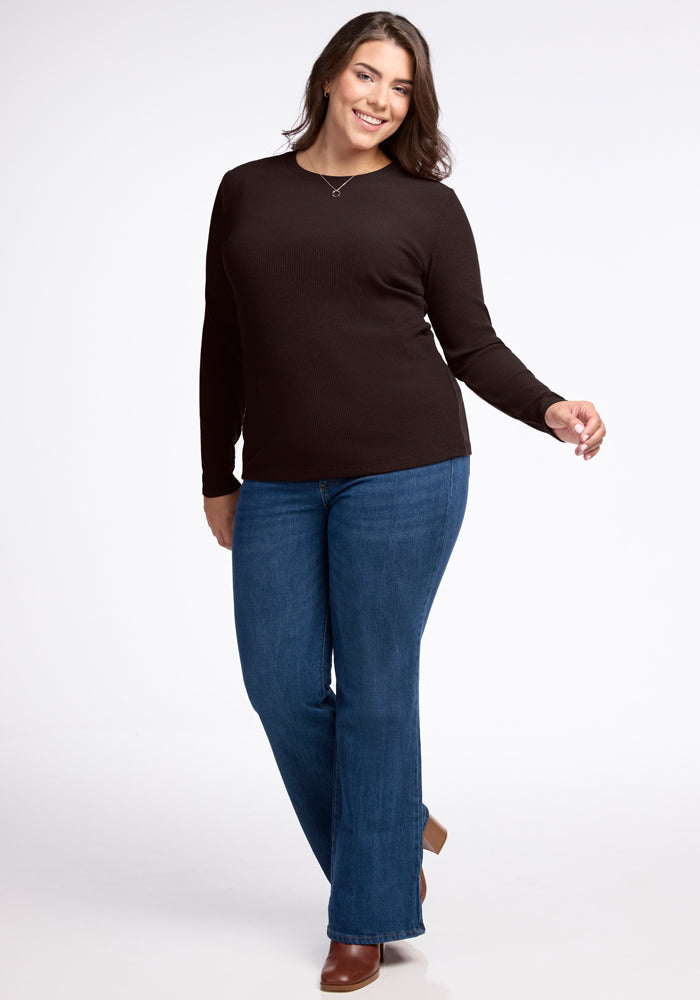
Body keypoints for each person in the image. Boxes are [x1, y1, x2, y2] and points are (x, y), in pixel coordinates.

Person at [198, 11, 606, 993]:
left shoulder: (427, 207)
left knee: (378, 687)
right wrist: (217, 472)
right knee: (279, 684)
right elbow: (224, 338)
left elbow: (468, 346)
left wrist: (547, 404)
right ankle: (394, 815)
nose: (382, 99)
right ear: (330, 77)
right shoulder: (245, 191)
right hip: (284, 481)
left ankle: (367, 914)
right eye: (367, 76)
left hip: (409, 470)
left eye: (401, 87)